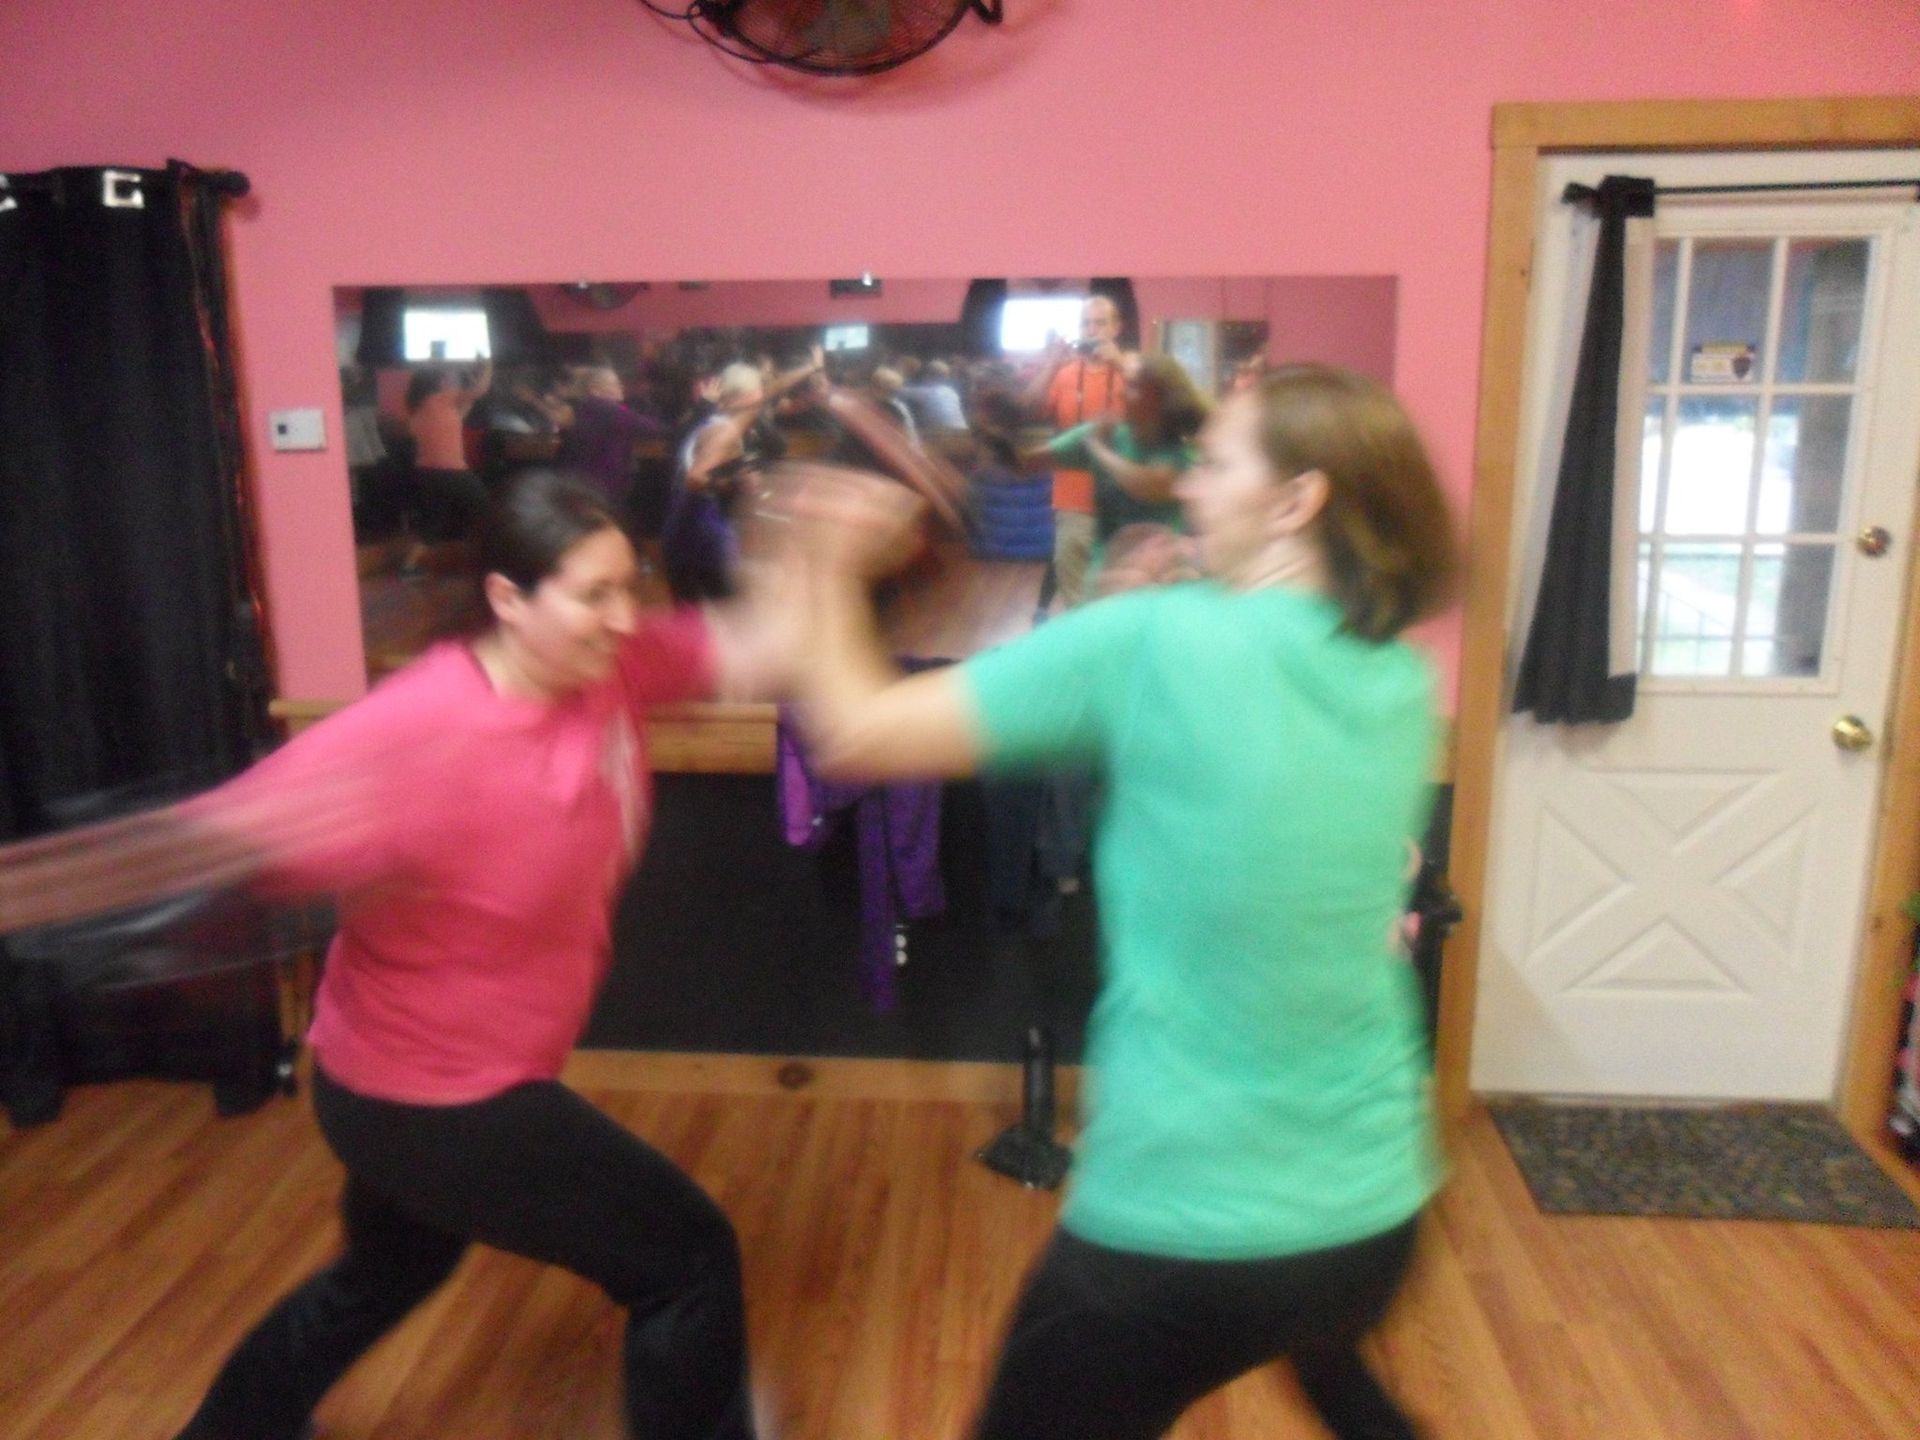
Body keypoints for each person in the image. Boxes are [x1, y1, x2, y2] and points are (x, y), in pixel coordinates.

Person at [0, 469, 797, 1440]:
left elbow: (749, 643)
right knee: (687, 1261)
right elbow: (200, 842)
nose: (626, 615)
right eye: (595, 593)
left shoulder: (610, 668)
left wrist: (841, 547)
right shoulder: (418, 736)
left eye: (633, 585)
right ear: (508, 598)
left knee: (387, 1272)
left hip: (399, 1075)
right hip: (434, 1100)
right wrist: (29, 888)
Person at [783, 363, 1459, 1440]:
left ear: (1298, 502)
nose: (1187, 487)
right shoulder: (1395, 675)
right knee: (1329, 1365)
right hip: (1374, 1204)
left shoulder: (1155, 645)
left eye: (1219, 465)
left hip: (1182, 1230)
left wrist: (817, 560)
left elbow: (856, 736)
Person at [1034, 352, 1209, 590]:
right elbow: (1026, 463)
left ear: (1158, 399)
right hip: (1105, 582)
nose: (1121, 393)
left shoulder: (1178, 453)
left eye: (1134, 387)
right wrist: (997, 438)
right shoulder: (1108, 433)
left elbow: (1145, 485)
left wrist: (1098, 448)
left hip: (1158, 583)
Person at [1021, 295, 1129, 617]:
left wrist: (1122, 363)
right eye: (1086, 323)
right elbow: (1026, 410)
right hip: (1073, 500)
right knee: (1076, 598)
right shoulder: (1064, 374)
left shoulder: (1132, 370)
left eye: (1101, 323)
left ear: (1117, 328)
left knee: (1119, 594)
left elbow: (1167, 411)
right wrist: (1051, 363)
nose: (1092, 330)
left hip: (1125, 500)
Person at [405, 358, 493, 542]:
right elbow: (480, 390)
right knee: (486, 513)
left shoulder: (419, 408)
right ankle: (485, 559)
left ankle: (409, 567)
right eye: (446, 377)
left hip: (425, 472)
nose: (450, 381)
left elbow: (460, 414)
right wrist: (488, 363)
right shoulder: (441, 399)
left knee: (432, 526)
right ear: (439, 382)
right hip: (452, 472)